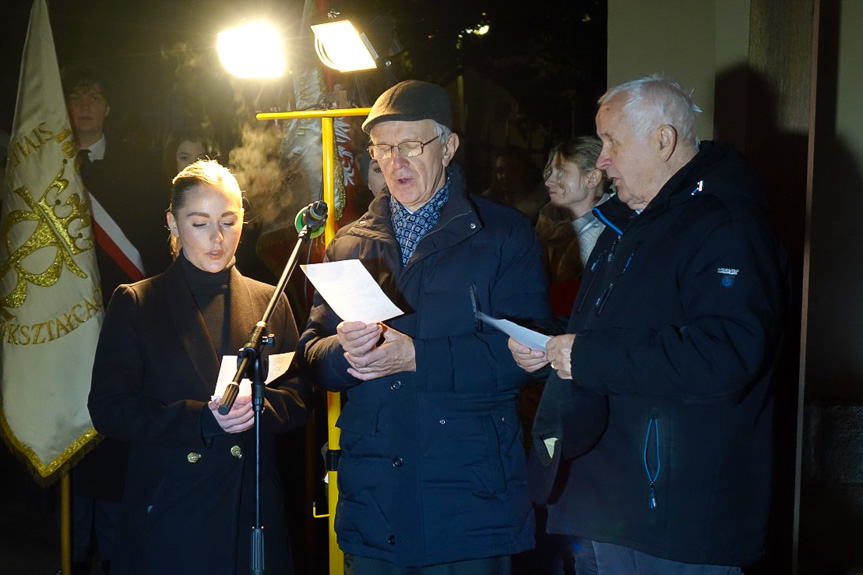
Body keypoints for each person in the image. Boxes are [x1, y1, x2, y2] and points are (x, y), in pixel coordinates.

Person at [510, 75, 790, 574]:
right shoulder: (632, 221)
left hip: (671, 520)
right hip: (611, 504)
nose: (601, 160)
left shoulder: (725, 225)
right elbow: (613, 327)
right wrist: (550, 344)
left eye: (612, 142)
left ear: (664, 141)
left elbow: (726, 355)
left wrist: (586, 356)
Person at [299, 80, 552, 574]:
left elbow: (530, 355)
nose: (396, 163)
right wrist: (343, 353)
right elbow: (312, 354)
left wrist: (417, 357)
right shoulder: (349, 244)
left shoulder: (502, 234)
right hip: (375, 507)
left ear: (449, 146)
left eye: (411, 146)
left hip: (469, 503)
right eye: (383, 150)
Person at [87, 160, 310, 575]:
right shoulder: (137, 302)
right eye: (200, 222)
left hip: (253, 511)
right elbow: (108, 409)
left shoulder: (270, 299)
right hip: (172, 515)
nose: (217, 238)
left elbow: (298, 396)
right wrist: (202, 419)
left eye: (229, 221)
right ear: (172, 224)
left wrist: (259, 406)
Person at [61, 64, 171, 575]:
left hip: (121, 313)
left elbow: (151, 244)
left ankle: (112, 552)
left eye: (93, 95)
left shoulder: (139, 167)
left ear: (107, 107)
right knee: (67, 427)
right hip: (61, 322)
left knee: (115, 431)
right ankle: (68, 545)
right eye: (75, 96)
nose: (84, 104)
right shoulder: (44, 168)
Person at [535, 137, 615, 316]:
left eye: (562, 172)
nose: (549, 181)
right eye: (551, 172)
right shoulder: (547, 225)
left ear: (592, 178)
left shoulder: (615, 229)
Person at [482, 146, 548, 223]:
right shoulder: (487, 198)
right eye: (500, 171)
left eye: (513, 170)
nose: (505, 176)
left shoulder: (543, 198)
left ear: (525, 170)